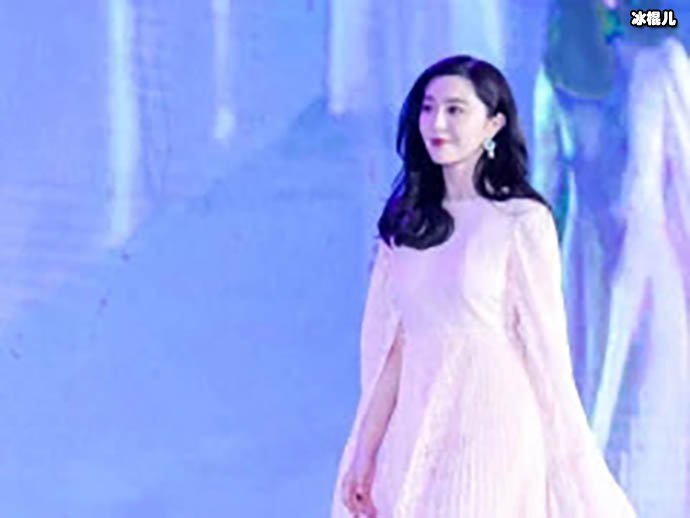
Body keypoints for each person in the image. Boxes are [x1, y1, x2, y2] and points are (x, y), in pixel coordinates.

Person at [330, 55, 636, 517]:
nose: (437, 122)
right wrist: (365, 452)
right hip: (416, 418)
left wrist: (568, 455)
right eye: (428, 108)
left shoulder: (520, 221)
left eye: (455, 109)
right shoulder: (406, 225)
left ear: (493, 124)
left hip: (492, 419)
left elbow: (544, 346)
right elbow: (394, 350)